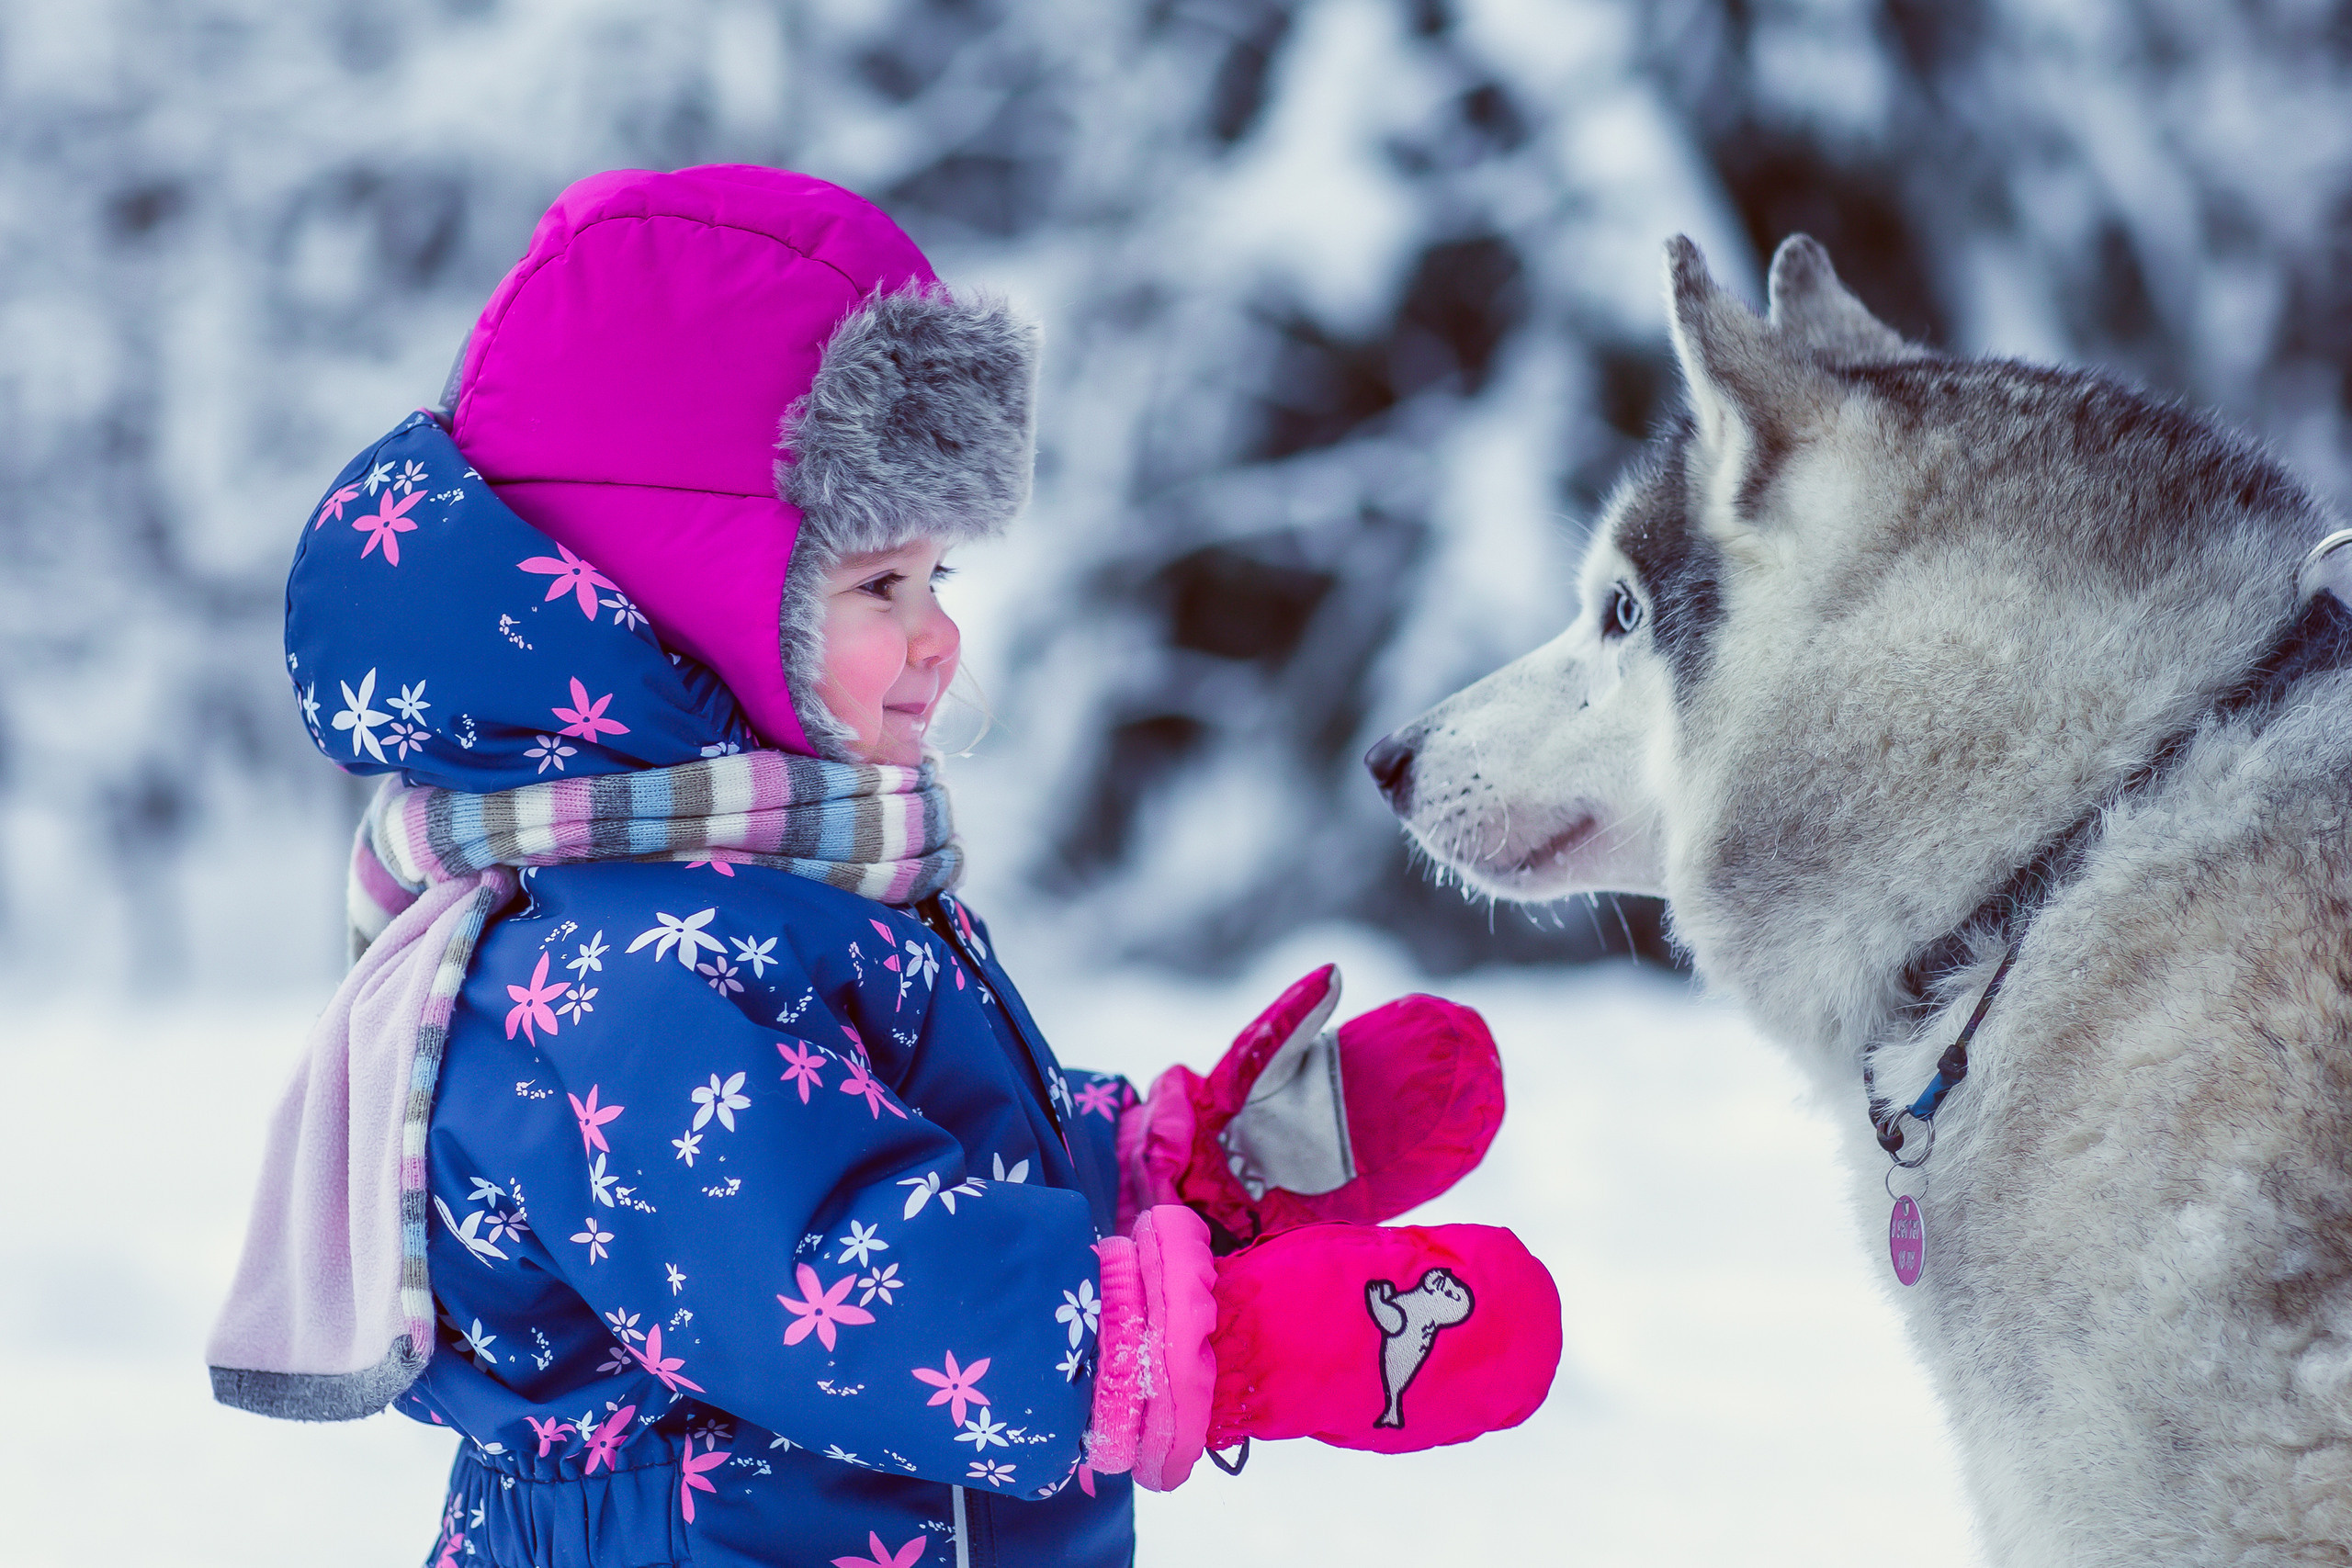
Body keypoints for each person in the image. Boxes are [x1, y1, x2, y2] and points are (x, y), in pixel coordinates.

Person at [207, 165, 1562, 1568]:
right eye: (878, 587)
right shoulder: (615, 966)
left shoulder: (757, 895)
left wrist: (1180, 1174)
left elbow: (906, 1160)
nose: (938, 639)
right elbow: (841, 1281)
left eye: (940, 581)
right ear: (687, 604)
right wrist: (1225, 1347)